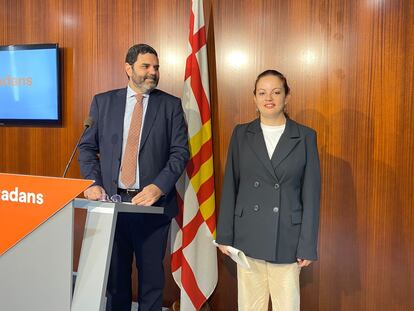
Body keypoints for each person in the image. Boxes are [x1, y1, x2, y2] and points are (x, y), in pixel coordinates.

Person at [78, 43, 189, 311]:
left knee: (152, 282)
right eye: (145, 66)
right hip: (111, 205)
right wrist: (93, 183)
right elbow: (86, 147)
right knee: (116, 282)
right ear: (128, 68)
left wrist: (158, 187)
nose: (153, 72)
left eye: (156, 67)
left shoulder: (170, 105)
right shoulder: (103, 102)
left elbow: (179, 153)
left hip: (152, 206)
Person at [216, 69, 321, 311]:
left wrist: (307, 244)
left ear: (287, 96)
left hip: (287, 236)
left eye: (276, 92)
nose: (269, 98)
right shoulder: (241, 134)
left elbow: (311, 194)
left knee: (287, 306)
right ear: (254, 98)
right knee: (250, 306)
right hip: (248, 235)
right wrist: (224, 235)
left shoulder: (305, 137)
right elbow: (231, 185)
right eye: (262, 93)